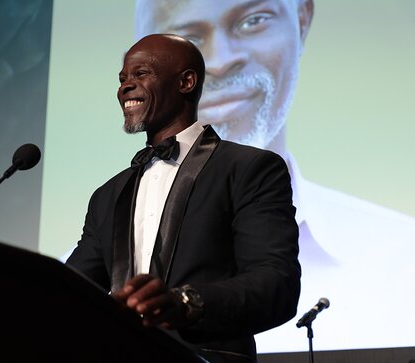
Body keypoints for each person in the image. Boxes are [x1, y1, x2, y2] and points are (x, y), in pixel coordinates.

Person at [133, 0, 415, 352]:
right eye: (185, 38)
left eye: (254, 21)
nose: (219, 61)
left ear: (302, 19)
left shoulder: (404, 256)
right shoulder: (112, 201)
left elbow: (275, 289)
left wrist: (185, 305)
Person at [66, 34, 301, 362]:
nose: (125, 86)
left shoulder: (249, 169)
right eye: (122, 79)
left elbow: (277, 285)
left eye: (141, 74)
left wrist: (185, 303)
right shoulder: (108, 195)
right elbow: (68, 293)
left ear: (186, 81)